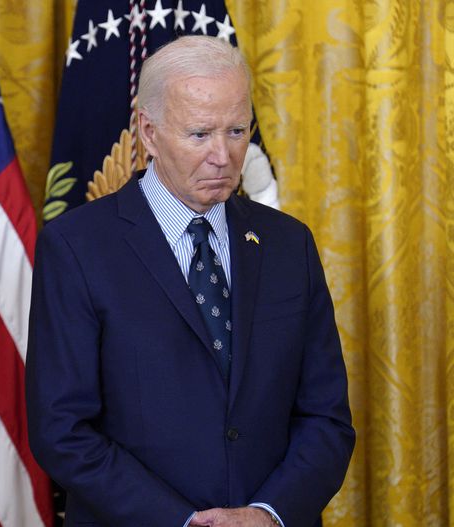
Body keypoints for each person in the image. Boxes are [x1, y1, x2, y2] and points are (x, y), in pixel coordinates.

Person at [25, 36, 354, 527]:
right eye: (200, 134)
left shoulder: (290, 245)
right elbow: (62, 430)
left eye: (237, 130)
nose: (223, 155)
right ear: (149, 132)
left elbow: (326, 417)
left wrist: (267, 514)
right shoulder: (76, 247)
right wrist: (182, 521)